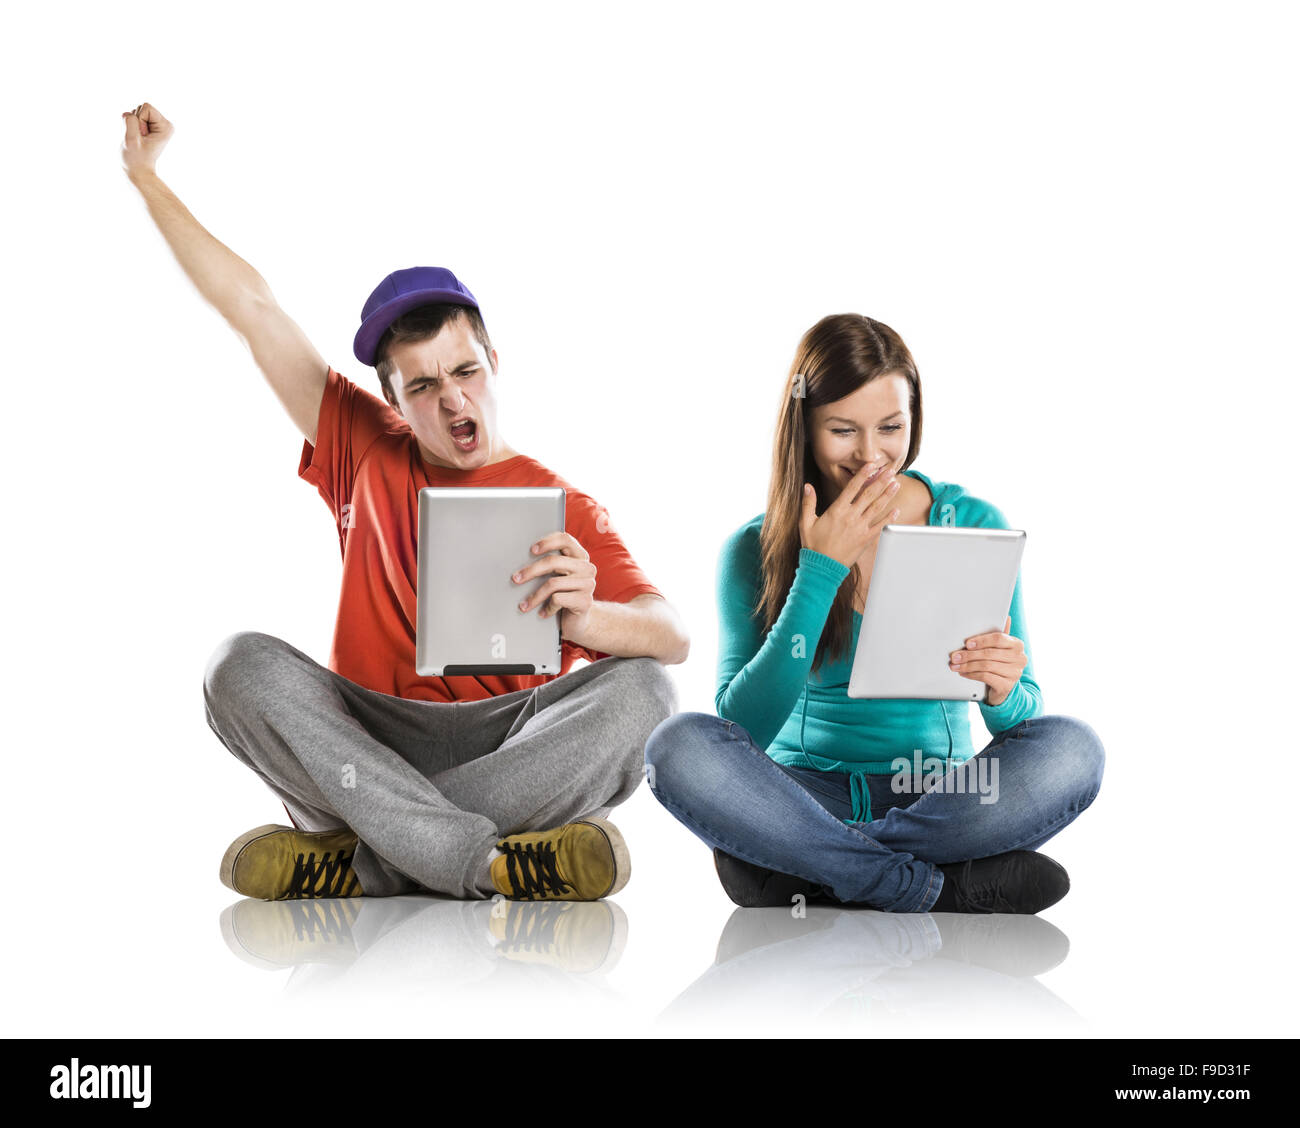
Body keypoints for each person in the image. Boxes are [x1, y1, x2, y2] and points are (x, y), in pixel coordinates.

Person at [121, 103, 687, 904]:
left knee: (649, 695)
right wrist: (146, 179)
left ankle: (364, 861)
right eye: (422, 386)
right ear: (394, 398)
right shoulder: (362, 442)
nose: (451, 399)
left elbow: (671, 635)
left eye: (464, 372)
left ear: (494, 360)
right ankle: (488, 859)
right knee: (235, 666)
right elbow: (252, 307)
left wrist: (586, 619)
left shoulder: (565, 503)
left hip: (509, 745)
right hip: (365, 738)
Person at [644, 313, 1103, 914]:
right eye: (842, 431)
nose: (870, 455)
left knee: (1076, 749)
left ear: (914, 420)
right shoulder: (753, 548)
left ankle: (817, 869)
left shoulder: (972, 524)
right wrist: (819, 572)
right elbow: (742, 728)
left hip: (936, 796)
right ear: (804, 428)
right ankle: (931, 885)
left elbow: (1023, 720)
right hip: (800, 795)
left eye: (890, 427)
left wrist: (1003, 691)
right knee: (675, 746)